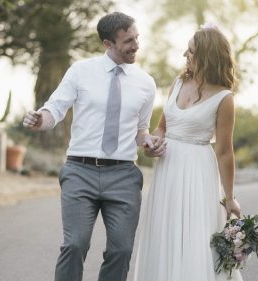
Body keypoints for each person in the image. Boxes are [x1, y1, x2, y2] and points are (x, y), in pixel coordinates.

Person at [22, 12, 166, 281]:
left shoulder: (146, 83)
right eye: (128, 41)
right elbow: (55, 109)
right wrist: (40, 118)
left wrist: (147, 141)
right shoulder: (80, 71)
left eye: (137, 38)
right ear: (107, 44)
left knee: (121, 250)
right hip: (80, 171)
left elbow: (140, 130)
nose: (136, 45)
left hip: (123, 175)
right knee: (75, 244)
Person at [133, 24, 243, 281]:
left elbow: (225, 151)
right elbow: (161, 127)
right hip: (167, 172)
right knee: (165, 233)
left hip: (198, 173)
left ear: (207, 56)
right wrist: (152, 144)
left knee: (195, 237)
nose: (185, 55)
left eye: (191, 51)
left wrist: (230, 198)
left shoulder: (224, 98)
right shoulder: (178, 83)